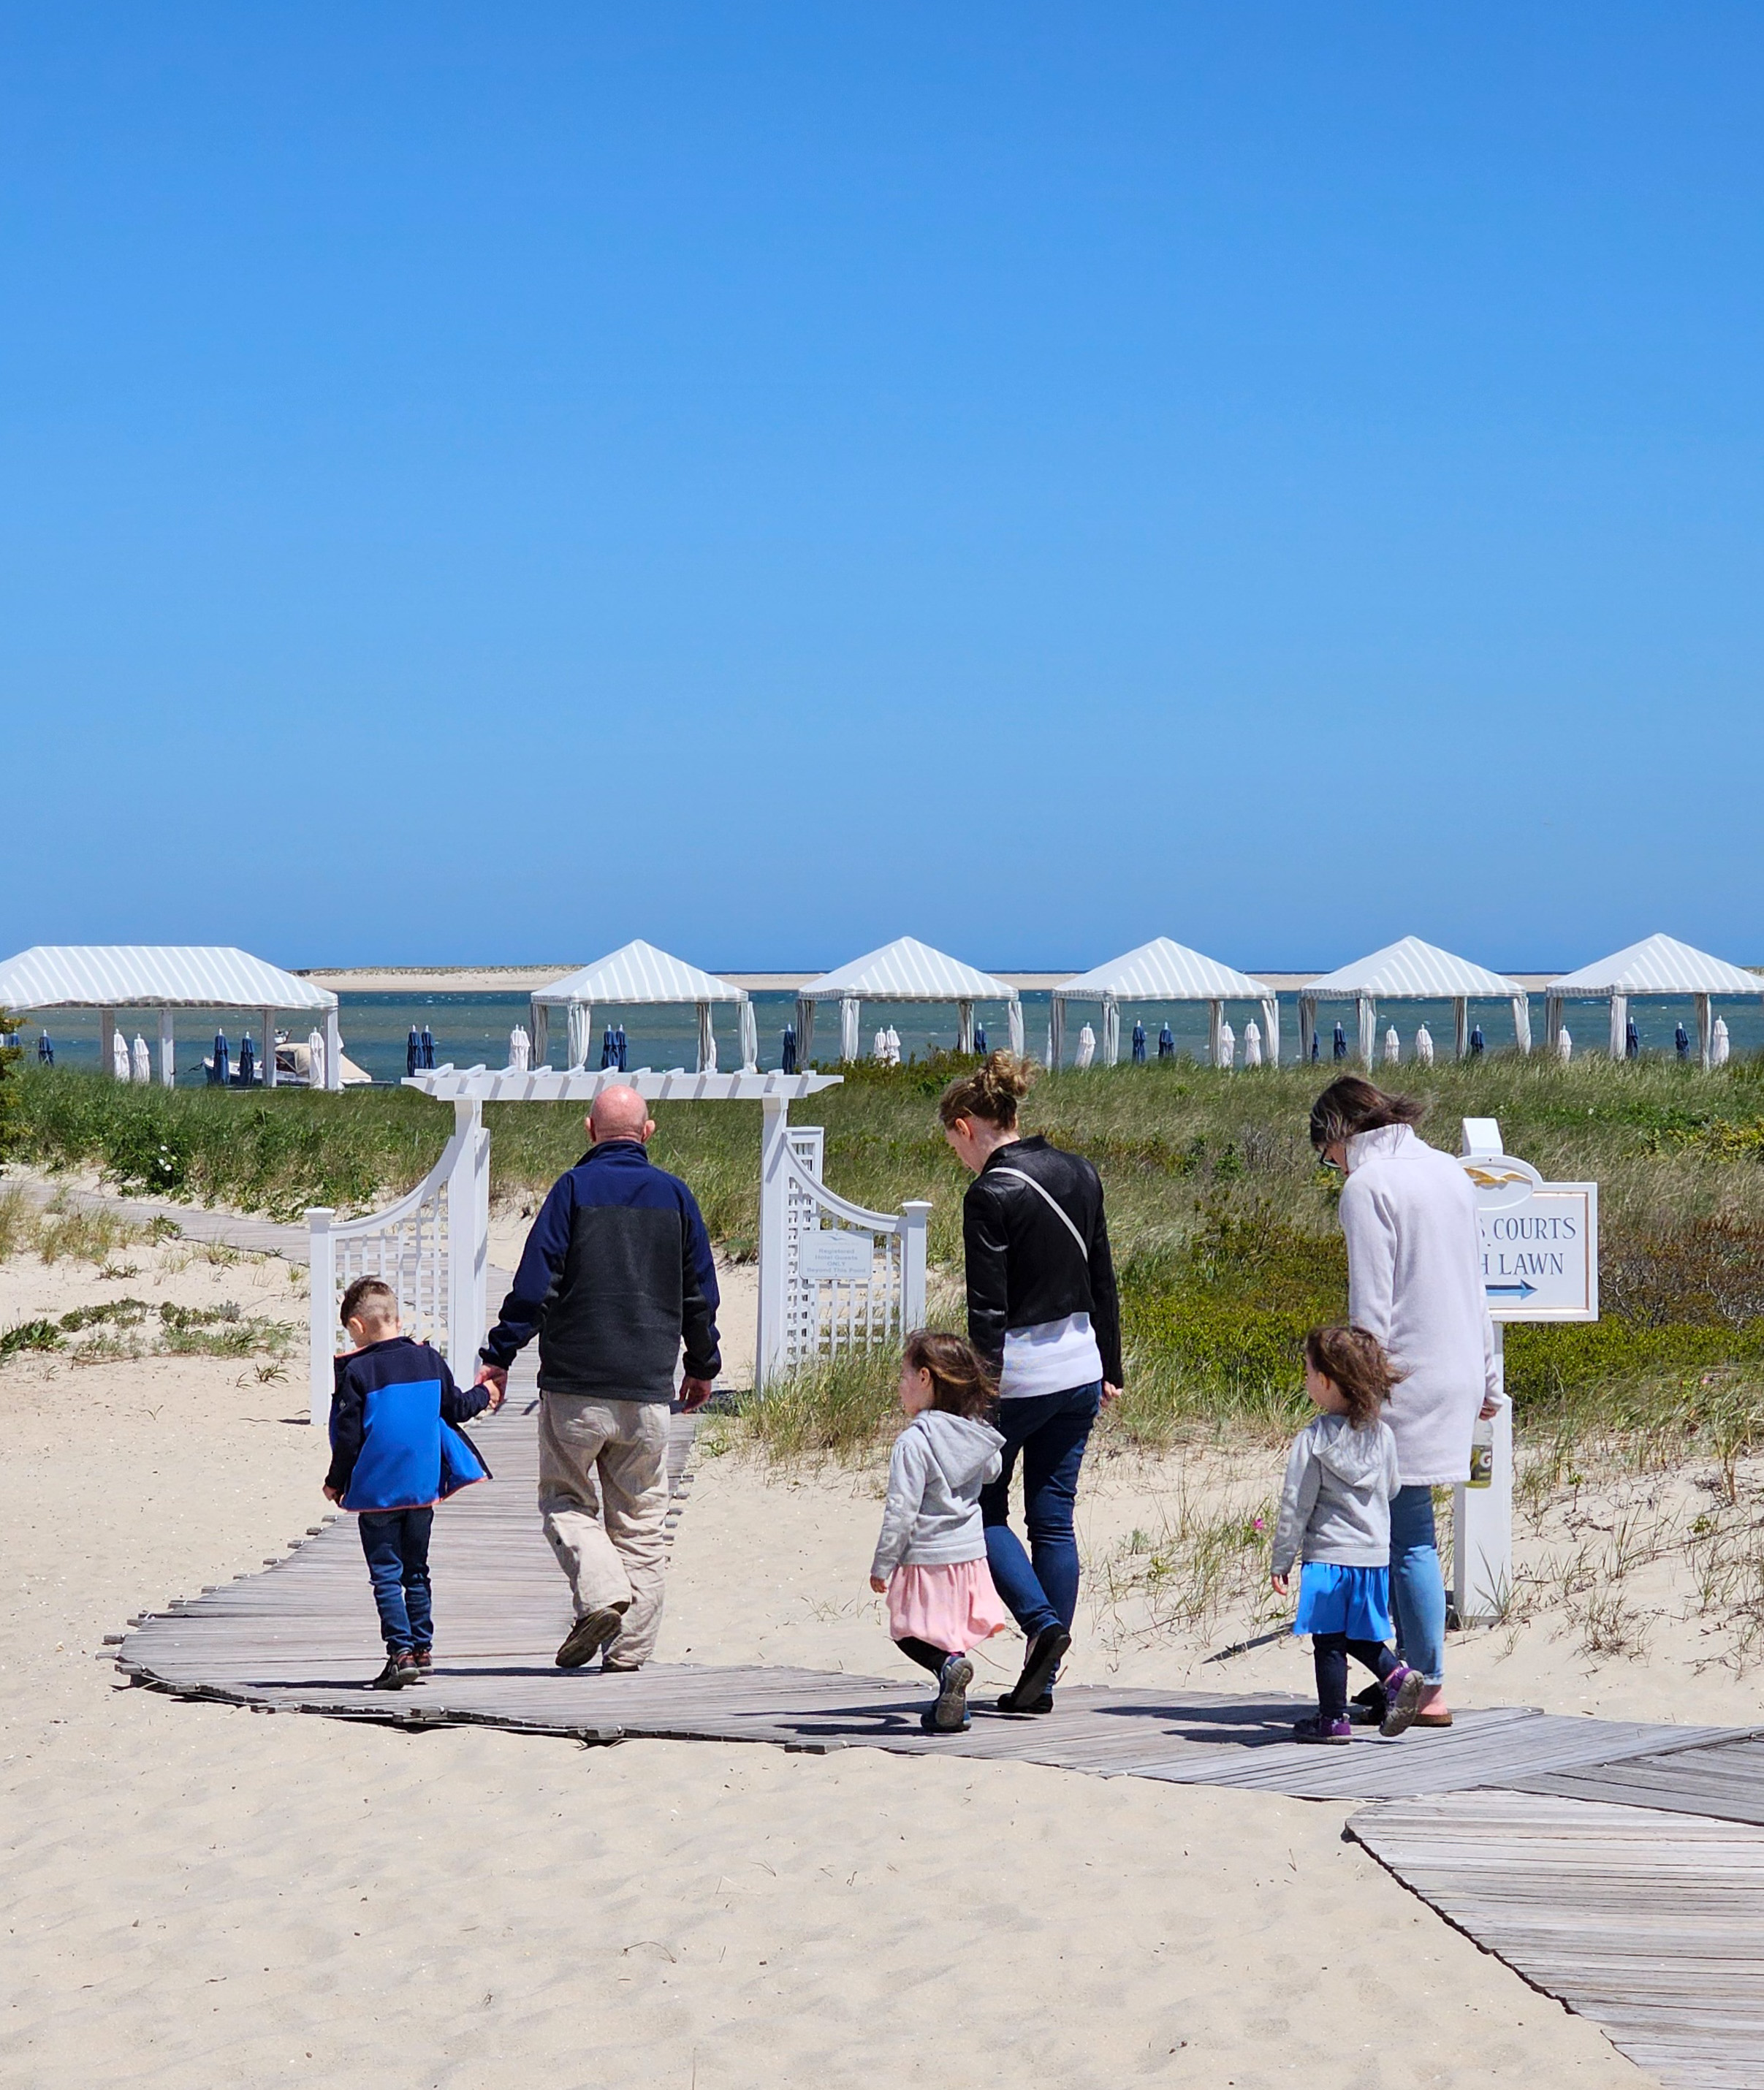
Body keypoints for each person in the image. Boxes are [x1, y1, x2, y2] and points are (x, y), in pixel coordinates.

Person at [476, 1084, 719, 1673]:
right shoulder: (676, 1196)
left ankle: (604, 1594)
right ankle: (628, 1654)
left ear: (590, 1130)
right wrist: (701, 1365)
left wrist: (500, 1353)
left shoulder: (573, 1189)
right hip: (647, 1389)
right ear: (648, 1132)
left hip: (575, 1386)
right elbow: (699, 1294)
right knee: (641, 1525)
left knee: (565, 1500)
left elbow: (536, 1285)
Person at [1309, 1077, 1499, 1729]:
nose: (1334, 1168)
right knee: (1403, 1530)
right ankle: (1408, 1677)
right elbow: (1477, 1287)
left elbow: (1371, 1307)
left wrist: (1355, 1391)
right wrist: (1488, 1378)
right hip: (1458, 1368)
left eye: (1328, 1156)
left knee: (1406, 1534)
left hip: (1401, 1376)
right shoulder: (1449, 1170)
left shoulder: (1369, 1186)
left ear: (1339, 1134)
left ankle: (1427, 1686)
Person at [940, 1052, 1122, 1715]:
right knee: (1053, 1520)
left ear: (967, 1126)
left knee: (975, 1506)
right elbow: (1102, 1278)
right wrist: (1113, 1367)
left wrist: (977, 1395)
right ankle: (1039, 1684)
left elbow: (987, 1311)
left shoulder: (989, 1193)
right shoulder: (1079, 1171)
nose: (959, 1157)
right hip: (1080, 1369)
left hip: (1018, 1375)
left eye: (954, 1143)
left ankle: (1041, 1625)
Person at [324, 1277, 496, 1691]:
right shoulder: (428, 1359)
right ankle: (422, 1650)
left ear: (358, 1326)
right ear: (397, 1319)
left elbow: (348, 1438)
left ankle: (400, 1654)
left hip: (377, 1492)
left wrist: (335, 1482)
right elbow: (457, 1407)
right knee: (416, 1570)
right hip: (421, 1489)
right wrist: (486, 1392)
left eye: (351, 1333)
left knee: (386, 1573)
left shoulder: (358, 1370)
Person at [1271, 1326, 1424, 1744]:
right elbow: (1391, 1488)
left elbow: (1296, 1505)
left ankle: (1333, 1719)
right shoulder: (1382, 1435)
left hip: (1328, 1556)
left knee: (1329, 1641)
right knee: (1359, 1634)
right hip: (1371, 1557)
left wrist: (1282, 1559)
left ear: (1325, 1381)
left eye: (1308, 1371)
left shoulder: (1313, 1439)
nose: (1306, 1379)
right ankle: (1396, 1675)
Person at [868, 1330, 1010, 1734]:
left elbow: (901, 1510)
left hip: (927, 1555)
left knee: (905, 1630)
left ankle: (947, 1668)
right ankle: (954, 1705)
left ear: (925, 1378)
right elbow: (993, 1470)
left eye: (904, 1376)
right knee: (951, 1633)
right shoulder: (970, 1433)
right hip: (969, 1556)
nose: (900, 1385)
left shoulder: (914, 1442)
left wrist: (883, 1563)